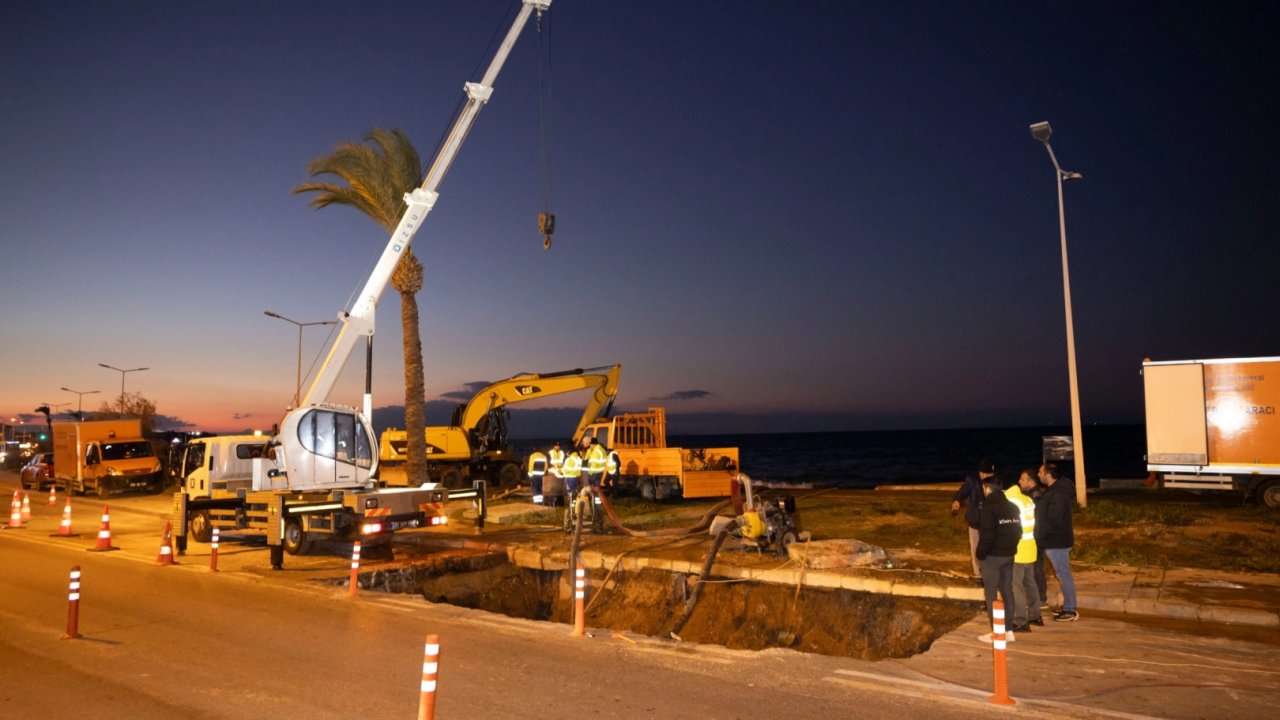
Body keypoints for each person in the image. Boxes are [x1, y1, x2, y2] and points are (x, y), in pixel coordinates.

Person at [976, 474, 1021, 641]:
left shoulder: (989, 508)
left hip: (993, 557)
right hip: (1009, 555)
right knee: (1007, 591)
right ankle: (1009, 631)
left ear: (987, 489)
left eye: (983, 489)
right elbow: (1019, 531)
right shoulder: (1012, 507)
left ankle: (997, 632)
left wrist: (980, 554)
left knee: (991, 595)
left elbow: (986, 536)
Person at [1038, 462, 1079, 622]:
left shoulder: (1058, 494)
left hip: (1057, 542)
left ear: (1048, 475)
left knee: (1063, 575)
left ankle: (1070, 610)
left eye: (1040, 471)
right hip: (1056, 541)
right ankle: (1068, 606)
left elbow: (1054, 520)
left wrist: (1042, 535)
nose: (1038, 474)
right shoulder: (1056, 491)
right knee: (1062, 574)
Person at [1004, 469, 1043, 631]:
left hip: (1019, 550)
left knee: (1016, 586)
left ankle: (1021, 621)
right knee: (1030, 583)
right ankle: (1035, 616)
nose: (1020, 482)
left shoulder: (1013, 502)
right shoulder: (1027, 500)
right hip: (1030, 547)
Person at [952, 457, 995, 583]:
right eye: (986, 474)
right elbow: (963, 491)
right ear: (981, 473)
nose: (989, 476)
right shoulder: (972, 481)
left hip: (990, 523)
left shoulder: (994, 481)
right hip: (975, 521)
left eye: (991, 474)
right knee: (976, 548)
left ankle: (990, 573)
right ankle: (978, 575)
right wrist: (957, 500)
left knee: (990, 549)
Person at [547, 441, 566, 506]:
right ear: (553, 446)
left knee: (560, 488)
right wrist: (551, 467)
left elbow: (564, 461)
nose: (558, 447)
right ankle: (553, 502)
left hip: (560, 472)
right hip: (553, 472)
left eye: (559, 446)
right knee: (553, 488)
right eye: (556, 445)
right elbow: (547, 462)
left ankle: (560, 502)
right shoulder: (550, 453)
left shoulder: (562, 453)